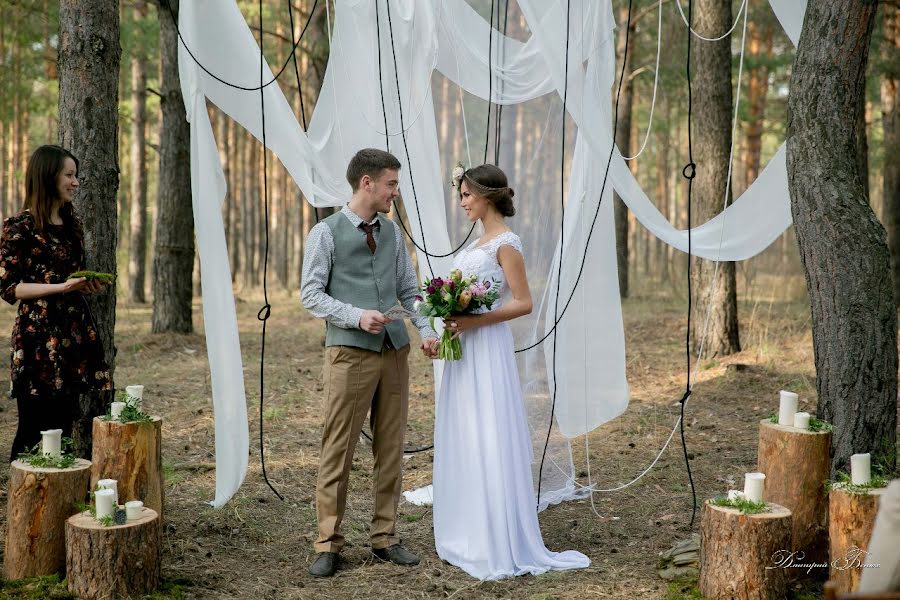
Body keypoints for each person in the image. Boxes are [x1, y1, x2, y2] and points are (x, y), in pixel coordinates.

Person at [428, 164, 590, 580]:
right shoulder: (476, 242)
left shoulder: (506, 243)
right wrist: (444, 331)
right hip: (465, 348)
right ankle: (468, 527)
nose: (462, 202)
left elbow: (523, 303)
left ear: (486, 195)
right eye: (460, 194)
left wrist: (473, 322)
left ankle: (496, 535)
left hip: (488, 347)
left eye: (466, 194)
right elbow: (461, 303)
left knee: (489, 430)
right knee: (466, 430)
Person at [300, 148, 439, 577]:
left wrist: (427, 330)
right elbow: (310, 294)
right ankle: (327, 543)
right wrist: (356, 315)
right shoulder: (325, 233)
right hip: (348, 352)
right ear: (368, 183)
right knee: (337, 449)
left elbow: (409, 289)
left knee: (391, 448)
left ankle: (385, 537)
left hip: (394, 352)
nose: (395, 192)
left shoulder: (393, 234)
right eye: (391, 184)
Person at [0, 145, 111, 460]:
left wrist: (82, 285)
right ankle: (25, 500)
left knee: (62, 425)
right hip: (38, 336)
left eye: (76, 175)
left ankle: (58, 498)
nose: (75, 182)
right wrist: (60, 287)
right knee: (33, 427)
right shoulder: (18, 227)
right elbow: (9, 288)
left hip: (73, 333)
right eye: (69, 174)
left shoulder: (71, 222)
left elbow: (66, 278)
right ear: (48, 176)